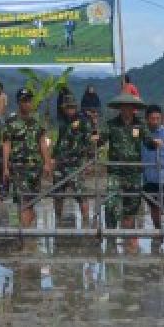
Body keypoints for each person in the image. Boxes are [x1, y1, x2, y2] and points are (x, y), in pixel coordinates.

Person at [4, 88, 53, 227]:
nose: (27, 104)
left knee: (31, 202)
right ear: (19, 102)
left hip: (35, 168)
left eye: (29, 101)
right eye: (24, 101)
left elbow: (43, 143)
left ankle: (27, 231)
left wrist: (47, 163)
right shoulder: (11, 122)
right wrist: (5, 168)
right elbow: (6, 144)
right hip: (18, 167)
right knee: (23, 201)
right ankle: (24, 237)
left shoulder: (37, 122)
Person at [100, 92, 148, 229]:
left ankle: (128, 238)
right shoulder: (111, 124)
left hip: (134, 171)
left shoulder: (140, 124)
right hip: (116, 171)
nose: (126, 110)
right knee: (111, 203)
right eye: (124, 107)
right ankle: (110, 236)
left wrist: (155, 142)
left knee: (132, 205)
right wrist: (96, 140)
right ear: (120, 108)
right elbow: (101, 139)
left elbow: (149, 141)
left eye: (129, 107)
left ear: (133, 108)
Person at [52, 94, 97, 227]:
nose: (70, 110)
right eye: (67, 107)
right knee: (57, 195)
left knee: (81, 195)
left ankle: (86, 222)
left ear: (75, 107)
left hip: (76, 164)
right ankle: (58, 221)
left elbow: (90, 141)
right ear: (64, 108)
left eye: (72, 107)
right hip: (61, 164)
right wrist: (53, 158)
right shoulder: (62, 122)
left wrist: (90, 161)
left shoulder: (83, 120)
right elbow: (59, 142)